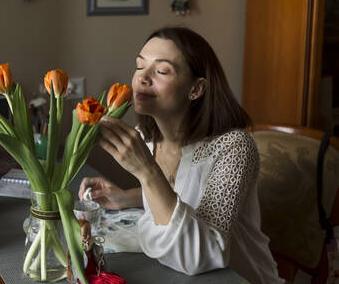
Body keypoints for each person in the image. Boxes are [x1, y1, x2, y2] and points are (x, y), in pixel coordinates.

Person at [78, 27, 284, 284]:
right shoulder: (149, 138)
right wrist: (126, 197)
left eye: (161, 71)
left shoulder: (233, 148)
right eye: (139, 66)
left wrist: (145, 171)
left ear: (196, 89)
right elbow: (182, 193)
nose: (142, 78)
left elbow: (202, 254)